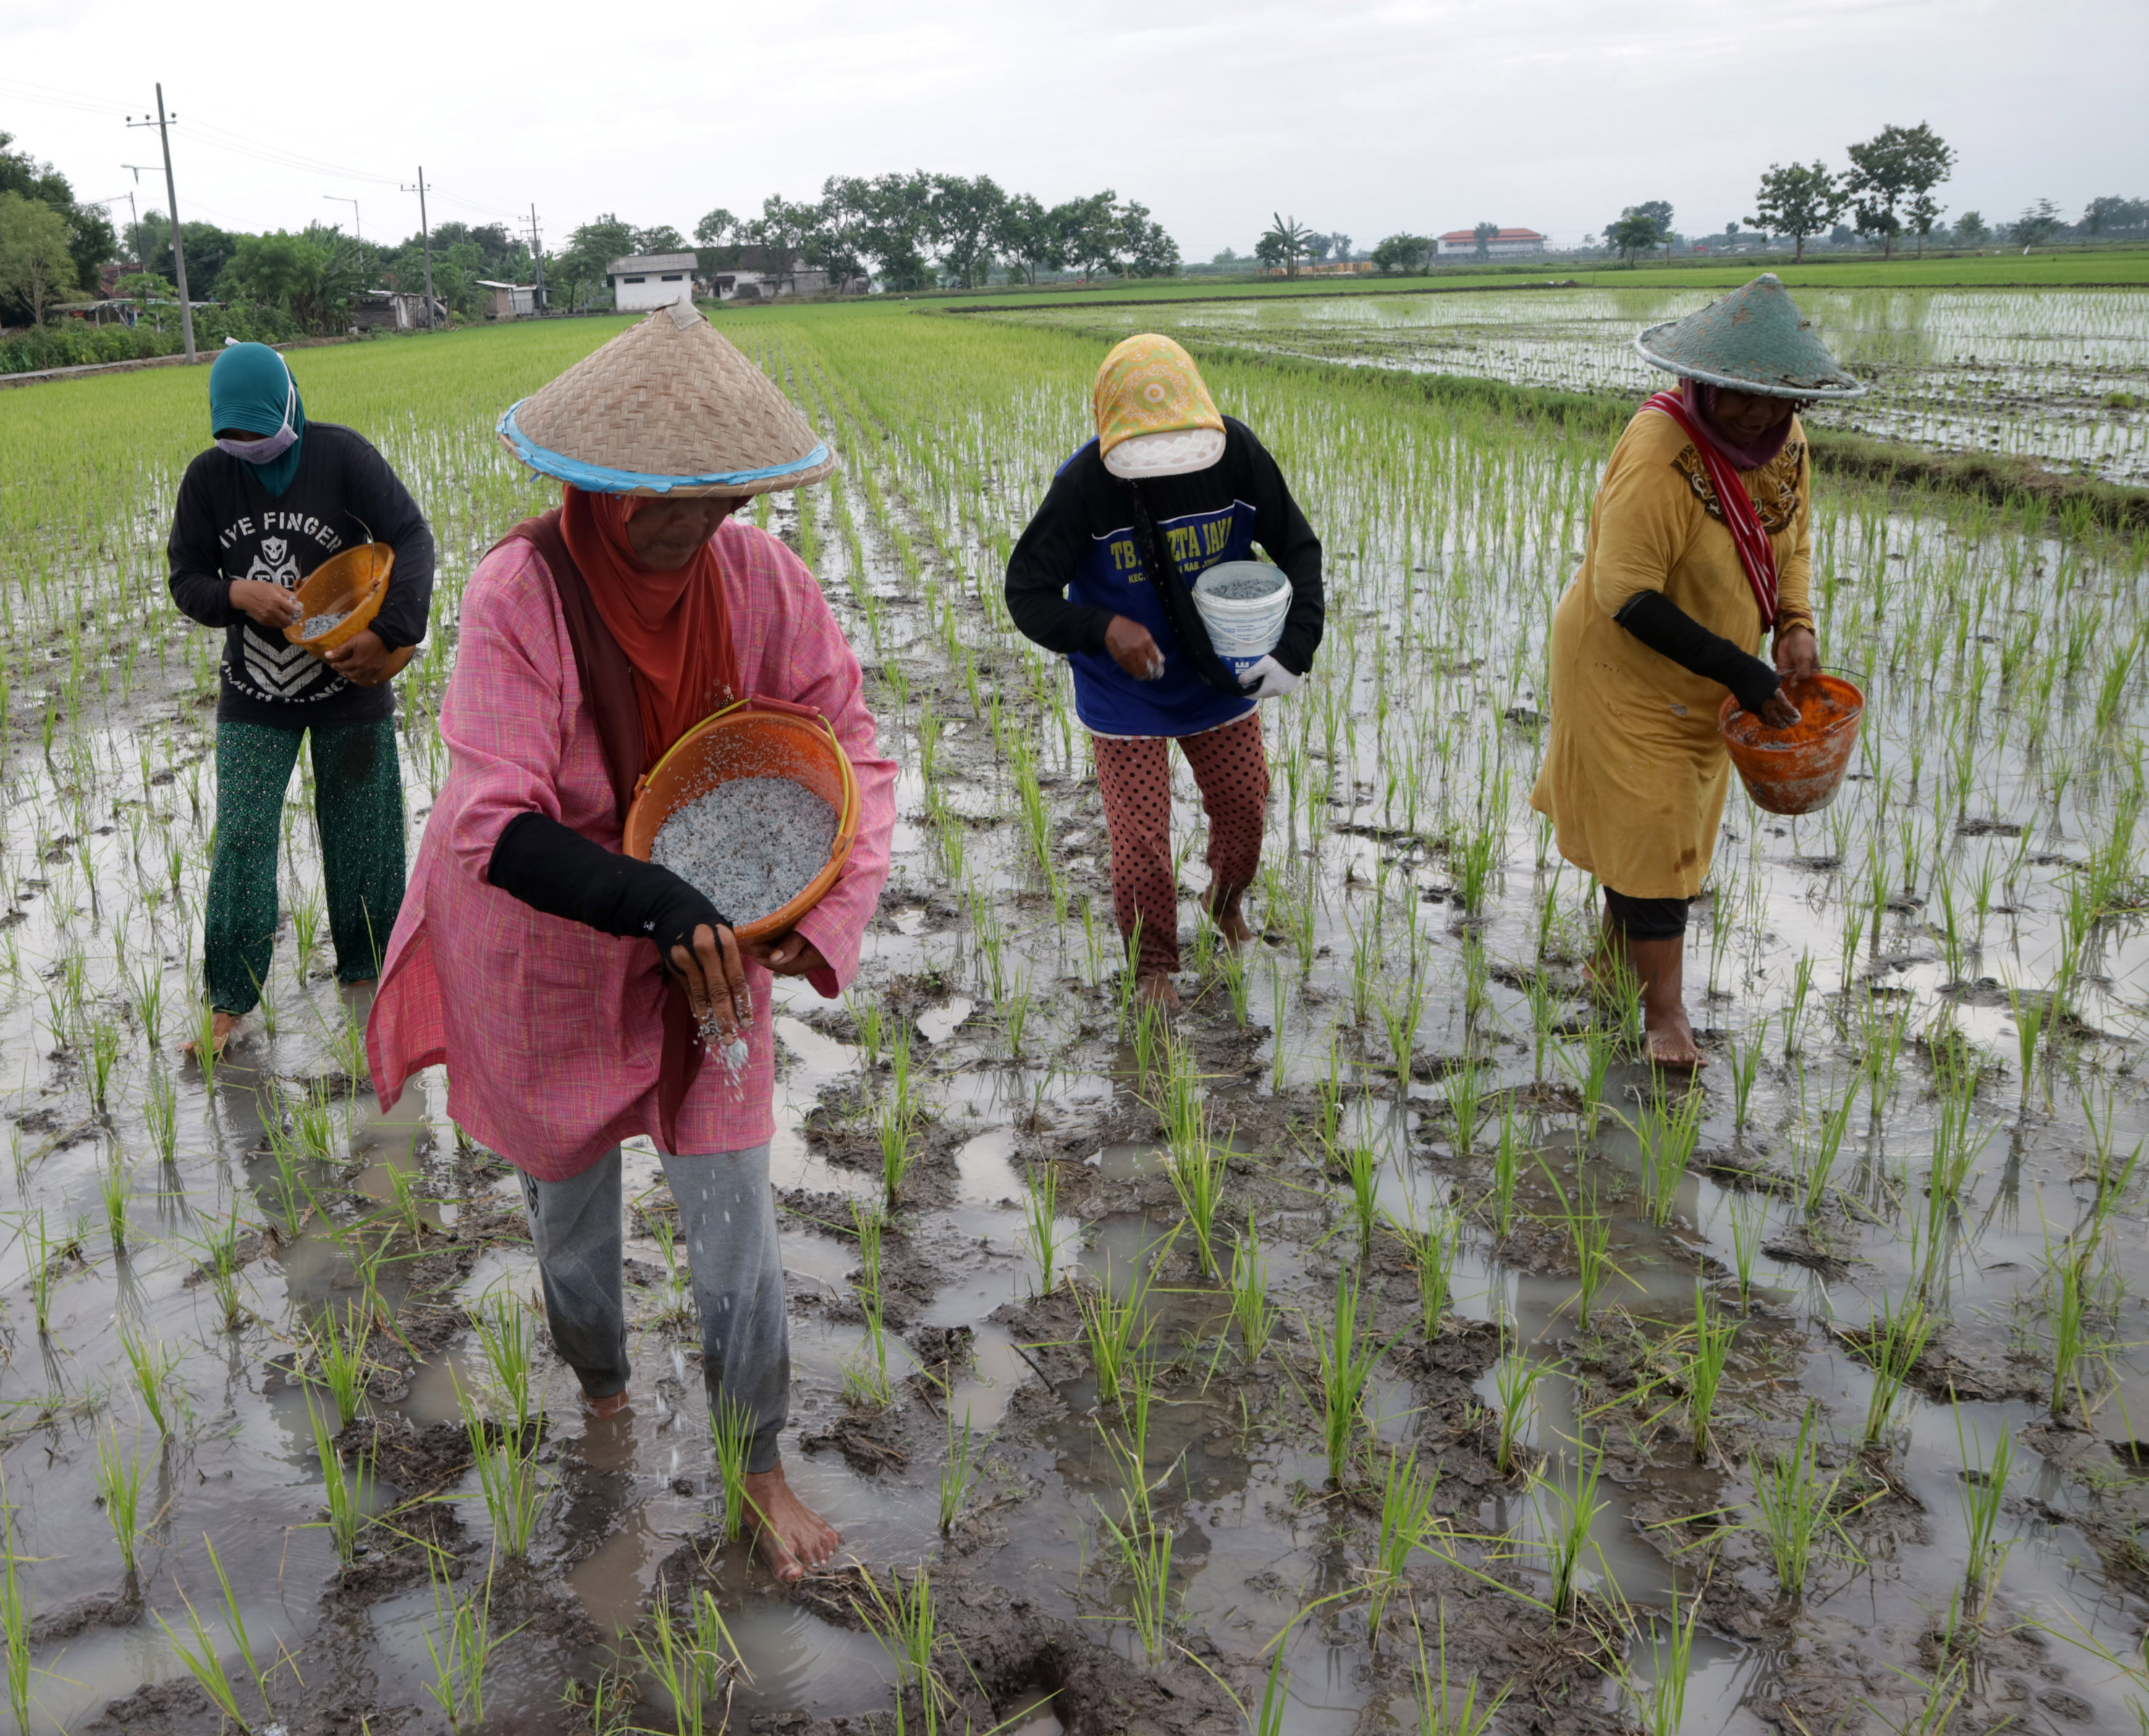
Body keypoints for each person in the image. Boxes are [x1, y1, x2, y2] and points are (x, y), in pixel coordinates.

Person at [366, 300, 898, 1582]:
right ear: (595, 485)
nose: (697, 522)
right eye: (669, 497)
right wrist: (658, 902)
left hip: (712, 957)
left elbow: (851, 746)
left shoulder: (762, 580)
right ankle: (601, 1387)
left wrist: (803, 920)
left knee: (733, 1214)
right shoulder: (521, 594)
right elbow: (492, 823)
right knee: (571, 1225)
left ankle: (756, 1460)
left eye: (724, 498)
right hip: (547, 943)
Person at [1532, 274, 1853, 1068]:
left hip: (1707, 674)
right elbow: (1624, 594)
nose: (1754, 414)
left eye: (1774, 401)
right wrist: (1744, 671)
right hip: (1621, 669)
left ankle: (1612, 969)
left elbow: (1792, 536)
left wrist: (1796, 624)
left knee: (1661, 830)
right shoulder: (1659, 451)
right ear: (1703, 382)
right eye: (1737, 395)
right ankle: (1665, 1020)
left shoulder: (1785, 445)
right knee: (1651, 830)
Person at [1002, 335, 1324, 1008]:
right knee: (1143, 838)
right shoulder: (1085, 485)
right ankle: (1151, 966)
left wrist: (1295, 645)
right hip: (1124, 692)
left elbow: (1297, 545)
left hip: (1218, 674)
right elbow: (1026, 593)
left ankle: (1223, 897)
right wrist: (1100, 628)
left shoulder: (1236, 452)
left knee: (1244, 805)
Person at [167, 342, 436, 1056]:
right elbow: (186, 578)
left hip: (346, 682)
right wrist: (233, 593)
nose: (250, 448)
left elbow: (408, 537)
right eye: (236, 437)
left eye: (262, 431)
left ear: (289, 405)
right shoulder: (207, 480)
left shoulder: (342, 458)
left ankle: (370, 977)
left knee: (363, 835)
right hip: (256, 690)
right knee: (244, 837)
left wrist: (390, 634)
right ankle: (227, 1001)